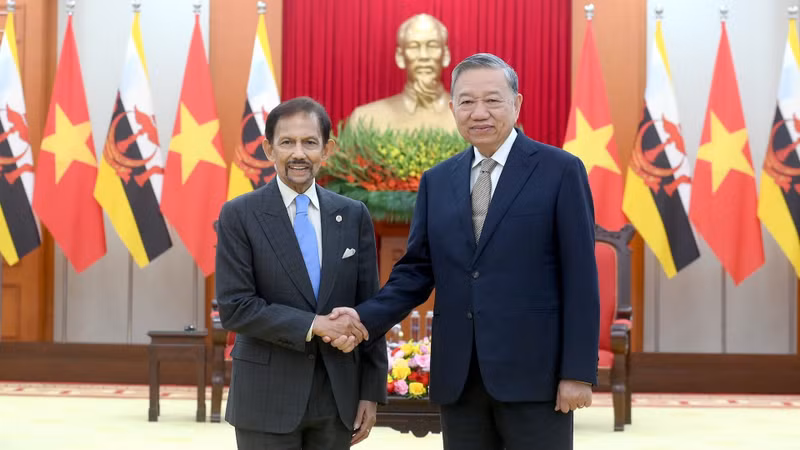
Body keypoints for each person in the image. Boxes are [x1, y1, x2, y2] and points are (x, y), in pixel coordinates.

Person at [329, 53, 600, 450]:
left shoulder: (560, 170)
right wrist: (363, 317)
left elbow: (580, 278)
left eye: (492, 100)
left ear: (516, 104)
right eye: (467, 101)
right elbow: (416, 271)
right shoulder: (438, 180)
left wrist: (577, 372)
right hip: (460, 377)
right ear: (452, 107)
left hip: (535, 375)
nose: (479, 112)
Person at [215, 96, 387, 449]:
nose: (298, 154)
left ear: (327, 149)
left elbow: (371, 309)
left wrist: (371, 392)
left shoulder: (353, 215)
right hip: (265, 398)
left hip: (338, 397)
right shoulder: (239, 214)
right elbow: (235, 307)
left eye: (309, 142)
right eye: (287, 142)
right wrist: (315, 324)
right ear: (268, 149)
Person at [348, 13, 457, 131]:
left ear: (445, 55)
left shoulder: (468, 117)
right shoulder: (365, 119)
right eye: (414, 46)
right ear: (400, 57)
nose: (424, 56)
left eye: (432, 46)